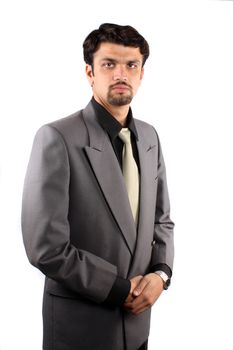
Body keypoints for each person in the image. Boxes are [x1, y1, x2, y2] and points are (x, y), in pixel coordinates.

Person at [21, 23, 174, 350]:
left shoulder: (149, 137)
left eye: (131, 65)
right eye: (109, 64)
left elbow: (162, 220)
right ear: (90, 72)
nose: (122, 74)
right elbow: (45, 247)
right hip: (80, 327)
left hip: (137, 328)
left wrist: (160, 275)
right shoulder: (57, 138)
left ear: (142, 73)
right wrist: (119, 289)